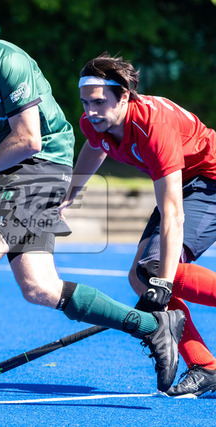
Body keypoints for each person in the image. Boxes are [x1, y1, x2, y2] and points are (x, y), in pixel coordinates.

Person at [0, 11, 185, 412]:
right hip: (13, 174)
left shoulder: (4, 60)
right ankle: (153, 325)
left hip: (45, 163)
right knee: (40, 288)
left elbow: (28, 140)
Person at [60, 53, 216, 398]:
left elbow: (173, 213)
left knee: (158, 272)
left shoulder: (154, 127)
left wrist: (164, 282)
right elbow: (95, 147)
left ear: (125, 97)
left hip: (210, 181)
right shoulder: (96, 122)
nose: (90, 111)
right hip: (184, 184)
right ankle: (205, 366)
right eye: (85, 103)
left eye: (99, 102)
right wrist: (69, 196)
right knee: (140, 277)